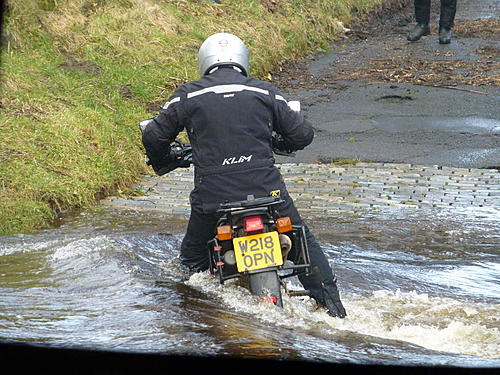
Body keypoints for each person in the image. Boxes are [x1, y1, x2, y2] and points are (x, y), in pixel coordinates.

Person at [140, 33, 347, 318]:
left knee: (189, 264)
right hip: (268, 193)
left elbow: (153, 134)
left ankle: (196, 321)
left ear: (205, 62)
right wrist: (278, 142)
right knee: (303, 243)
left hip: (212, 198)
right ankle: (335, 311)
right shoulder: (264, 91)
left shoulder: (188, 94)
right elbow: (302, 134)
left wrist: (163, 159)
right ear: (242, 60)